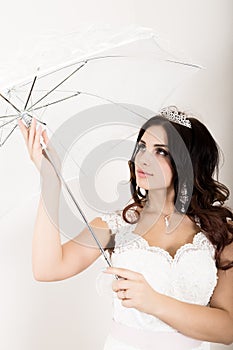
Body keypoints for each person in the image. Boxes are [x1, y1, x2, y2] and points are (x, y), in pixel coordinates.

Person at [17, 106, 233, 350]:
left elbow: (227, 330)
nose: (143, 158)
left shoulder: (219, 232)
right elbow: (47, 269)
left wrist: (153, 302)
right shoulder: (116, 226)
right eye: (141, 147)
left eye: (160, 151)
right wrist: (50, 180)